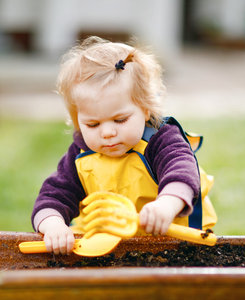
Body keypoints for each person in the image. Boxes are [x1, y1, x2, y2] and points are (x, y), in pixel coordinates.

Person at [31, 36, 217, 255]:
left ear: (146, 109)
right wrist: (53, 226)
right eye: (93, 124)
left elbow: (182, 172)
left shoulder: (160, 140)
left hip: (177, 244)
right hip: (110, 246)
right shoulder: (80, 155)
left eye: (120, 120)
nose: (108, 132)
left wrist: (166, 204)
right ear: (78, 120)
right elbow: (53, 196)